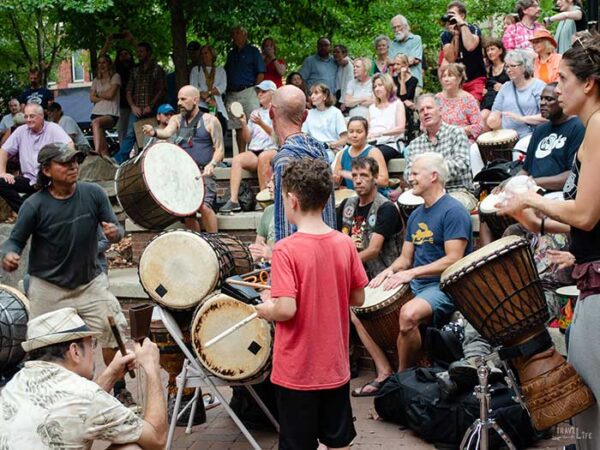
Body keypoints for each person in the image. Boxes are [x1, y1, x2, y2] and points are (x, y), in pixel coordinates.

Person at [498, 34, 600, 450]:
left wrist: (530, 198)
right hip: (592, 277)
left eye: (562, 79)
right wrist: (535, 222)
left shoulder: (597, 126)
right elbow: (588, 223)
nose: (555, 89)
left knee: (590, 399)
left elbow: (587, 213)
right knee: (588, 406)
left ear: (588, 83)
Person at [0, 143, 133, 401]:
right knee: (41, 345)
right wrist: (9, 255)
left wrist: (115, 233)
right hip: (47, 287)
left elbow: (117, 229)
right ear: (47, 170)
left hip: (90, 282)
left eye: (75, 161)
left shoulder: (93, 193)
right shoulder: (34, 204)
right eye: (65, 163)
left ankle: (119, 390)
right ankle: (48, 397)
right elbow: (15, 240)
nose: (73, 166)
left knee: (113, 331)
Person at [255, 157, 368, 450]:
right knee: (338, 440)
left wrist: (265, 308)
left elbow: (286, 309)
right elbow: (358, 297)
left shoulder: (285, 249)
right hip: (334, 366)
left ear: (292, 200)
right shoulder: (344, 243)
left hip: (297, 372)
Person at [0, 307, 167, 449]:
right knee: (130, 448)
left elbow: (78, 409)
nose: (93, 351)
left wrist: (111, 375)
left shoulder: (13, 384)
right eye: (91, 343)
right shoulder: (86, 396)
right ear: (75, 351)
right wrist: (152, 368)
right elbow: (157, 439)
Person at [370, 152, 472, 371]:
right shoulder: (416, 215)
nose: (410, 178)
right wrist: (389, 271)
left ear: (433, 176)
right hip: (418, 285)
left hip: (445, 286)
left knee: (408, 315)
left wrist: (413, 273)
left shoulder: (453, 211)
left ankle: (402, 377)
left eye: (415, 173)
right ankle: (391, 372)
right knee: (359, 309)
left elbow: (454, 259)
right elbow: (406, 259)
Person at [143, 85, 223, 232]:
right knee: (188, 213)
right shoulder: (176, 119)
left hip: (203, 172)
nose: (179, 103)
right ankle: (196, 242)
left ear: (195, 100)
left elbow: (220, 150)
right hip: (183, 173)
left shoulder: (210, 120)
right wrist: (154, 132)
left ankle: (215, 242)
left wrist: (212, 164)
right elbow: (166, 132)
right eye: (178, 99)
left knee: (205, 206)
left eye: (183, 99)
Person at [271, 85, 336, 242]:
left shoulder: (285, 159)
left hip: (299, 256)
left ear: (271, 112)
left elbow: (285, 225)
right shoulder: (321, 152)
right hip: (328, 246)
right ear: (305, 115)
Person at [392, 94, 474, 199]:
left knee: (442, 206)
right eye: (421, 110)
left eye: (429, 108)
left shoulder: (456, 133)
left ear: (440, 111)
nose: (426, 112)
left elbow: (463, 165)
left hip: (457, 191)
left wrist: (427, 171)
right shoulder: (414, 145)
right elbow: (408, 174)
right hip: (425, 194)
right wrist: (430, 173)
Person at [0, 103, 72, 213]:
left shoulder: (53, 128)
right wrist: (2, 172)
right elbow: (4, 150)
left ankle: (31, 213)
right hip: (29, 179)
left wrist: (61, 167)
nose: (28, 119)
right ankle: (26, 212)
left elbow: (70, 145)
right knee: (1, 182)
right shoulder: (21, 131)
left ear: (41, 116)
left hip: (49, 179)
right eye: (26, 116)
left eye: (32, 116)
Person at [219, 80, 277, 213]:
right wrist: (244, 124)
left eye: (263, 91)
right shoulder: (254, 113)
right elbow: (248, 139)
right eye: (258, 92)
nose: (259, 94)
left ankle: (263, 199)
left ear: (273, 94)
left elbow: (276, 137)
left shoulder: (278, 111)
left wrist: (261, 123)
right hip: (255, 150)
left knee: (263, 157)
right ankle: (233, 201)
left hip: (272, 150)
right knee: (237, 159)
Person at [519, 83, 584, 190]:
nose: (542, 103)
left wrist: (532, 182)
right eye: (541, 98)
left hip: (560, 195)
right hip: (533, 189)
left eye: (549, 99)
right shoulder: (540, 129)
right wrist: (511, 183)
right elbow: (525, 170)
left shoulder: (577, 127)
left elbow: (573, 174)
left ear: (563, 101)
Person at [114, 42, 166, 165]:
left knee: (152, 134)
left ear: (149, 53)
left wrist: (151, 106)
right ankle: (119, 161)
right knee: (130, 134)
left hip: (152, 110)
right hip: (136, 109)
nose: (139, 54)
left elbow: (161, 90)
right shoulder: (135, 70)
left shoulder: (157, 69)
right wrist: (133, 106)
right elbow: (128, 91)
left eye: (142, 51)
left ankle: (152, 160)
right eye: (138, 52)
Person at [487, 49, 547, 152]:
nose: (508, 70)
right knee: (475, 150)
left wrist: (522, 118)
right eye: (507, 66)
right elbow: (496, 110)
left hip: (530, 136)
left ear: (524, 66)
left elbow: (547, 116)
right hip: (506, 136)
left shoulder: (538, 86)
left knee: (519, 149)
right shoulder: (505, 87)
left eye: (513, 66)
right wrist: (492, 120)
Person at [224, 26, 266, 154]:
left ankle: (255, 153)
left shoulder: (253, 51)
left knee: (254, 122)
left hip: (249, 91)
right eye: (233, 33)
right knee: (238, 126)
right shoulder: (231, 54)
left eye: (238, 32)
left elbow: (261, 72)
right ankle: (242, 155)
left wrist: (255, 90)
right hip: (232, 93)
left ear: (245, 35)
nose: (235, 35)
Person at [440, 1, 487, 102]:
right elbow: (451, 59)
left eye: (453, 14)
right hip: (457, 81)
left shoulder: (473, 28)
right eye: (449, 14)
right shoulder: (446, 35)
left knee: (473, 107)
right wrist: (455, 36)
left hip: (475, 78)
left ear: (462, 15)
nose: (450, 17)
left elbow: (470, 46)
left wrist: (462, 25)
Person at [334, 116, 388, 190]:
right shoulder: (342, 154)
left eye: (359, 132)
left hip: (374, 197)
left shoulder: (373, 152)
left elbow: (384, 181)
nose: (354, 135)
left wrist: (353, 176)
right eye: (351, 131)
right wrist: (334, 180)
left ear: (366, 133)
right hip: (353, 198)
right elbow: (335, 182)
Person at [436, 63, 484, 143]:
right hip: (441, 140)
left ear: (459, 79)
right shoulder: (437, 99)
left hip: (463, 140)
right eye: (444, 76)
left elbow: (478, 126)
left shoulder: (468, 99)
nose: (446, 79)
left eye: (450, 76)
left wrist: (457, 131)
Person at [301, 83, 347, 162]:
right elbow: (304, 135)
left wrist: (331, 145)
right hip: (312, 150)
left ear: (325, 96)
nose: (312, 96)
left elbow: (345, 139)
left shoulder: (336, 112)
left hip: (330, 150)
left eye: (316, 93)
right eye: (311, 94)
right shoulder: (308, 113)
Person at [190, 44, 229, 135]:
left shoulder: (220, 70)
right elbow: (194, 87)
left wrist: (209, 93)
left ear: (212, 55)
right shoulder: (196, 70)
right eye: (201, 53)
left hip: (217, 105)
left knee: (220, 131)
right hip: (201, 106)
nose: (203, 55)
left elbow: (222, 87)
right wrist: (207, 99)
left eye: (206, 53)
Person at [367, 73, 406, 162]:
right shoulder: (372, 108)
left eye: (380, 85)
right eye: (375, 87)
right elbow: (368, 129)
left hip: (391, 144)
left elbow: (401, 128)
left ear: (388, 86)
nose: (377, 89)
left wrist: (380, 134)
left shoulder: (397, 104)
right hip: (372, 144)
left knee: (373, 155)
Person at [90, 54, 121, 157]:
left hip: (110, 113)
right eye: (99, 63)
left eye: (104, 62)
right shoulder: (96, 80)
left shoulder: (115, 77)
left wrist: (98, 94)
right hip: (96, 112)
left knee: (96, 122)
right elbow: (91, 98)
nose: (101, 65)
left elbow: (111, 94)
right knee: (105, 149)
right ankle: (106, 162)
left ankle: (96, 151)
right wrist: (104, 96)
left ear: (109, 64)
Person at [389, 15, 424, 88]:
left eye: (399, 26)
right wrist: (406, 61)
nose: (396, 30)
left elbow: (414, 61)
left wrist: (396, 62)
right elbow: (390, 63)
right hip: (396, 85)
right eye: (394, 28)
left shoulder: (416, 39)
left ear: (406, 26)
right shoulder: (392, 44)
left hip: (414, 83)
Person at [481, 38, 509, 125]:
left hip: (505, 101)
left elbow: (517, 83)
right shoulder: (488, 69)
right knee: (482, 117)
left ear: (500, 50)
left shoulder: (508, 66)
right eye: (487, 50)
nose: (489, 52)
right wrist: (483, 89)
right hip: (489, 101)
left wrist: (504, 87)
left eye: (492, 49)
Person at [392, 54, 418, 140]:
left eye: (398, 64)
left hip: (407, 110)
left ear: (405, 65)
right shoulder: (392, 80)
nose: (395, 67)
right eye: (394, 64)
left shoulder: (413, 80)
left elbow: (404, 97)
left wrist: (402, 79)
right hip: (394, 108)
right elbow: (401, 99)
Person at [334, 44, 354, 113]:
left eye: (338, 52)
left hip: (345, 96)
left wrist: (344, 101)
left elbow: (349, 84)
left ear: (344, 54)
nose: (335, 54)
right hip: (339, 95)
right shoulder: (340, 65)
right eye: (334, 52)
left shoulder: (348, 65)